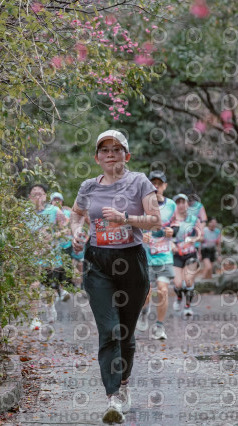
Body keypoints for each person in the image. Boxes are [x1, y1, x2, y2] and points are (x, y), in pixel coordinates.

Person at [69, 129, 160, 424]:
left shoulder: (140, 182)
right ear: (97, 158)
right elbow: (77, 214)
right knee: (109, 330)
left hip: (131, 261)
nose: (110, 154)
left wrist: (126, 219)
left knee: (125, 333)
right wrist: (76, 232)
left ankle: (123, 382)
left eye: (116, 149)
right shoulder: (88, 187)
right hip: (97, 262)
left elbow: (156, 221)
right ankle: (113, 398)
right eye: (104, 150)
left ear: (127, 155)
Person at [136, 170, 176, 340]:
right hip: (146, 257)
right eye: (153, 183)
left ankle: (159, 327)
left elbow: (177, 225)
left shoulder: (171, 205)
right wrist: (141, 235)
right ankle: (144, 312)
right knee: (146, 293)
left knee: (163, 290)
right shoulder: (141, 204)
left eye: (159, 184)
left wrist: (172, 231)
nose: (156, 187)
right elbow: (133, 225)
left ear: (165, 186)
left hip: (165, 257)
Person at [27, 183, 70, 330]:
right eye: (34, 194)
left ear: (45, 196)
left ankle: (50, 307)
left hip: (50, 256)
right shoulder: (26, 214)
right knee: (33, 286)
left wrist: (52, 236)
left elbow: (66, 230)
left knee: (47, 289)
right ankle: (35, 319)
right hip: (31, 256)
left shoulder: (54, 211)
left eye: (40, 193)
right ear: (30, 197)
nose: (37, 196)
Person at [170, 193, 203, 317]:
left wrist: (193, 239)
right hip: (176, 255)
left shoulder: (194, 219)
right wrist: (171, 245)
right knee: (178, 284)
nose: (181, 205)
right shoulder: (170, 220)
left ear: (187, 204)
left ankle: (188, 307)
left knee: (188, 281)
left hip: (190, 254)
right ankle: (179, 297)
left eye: (183, 202)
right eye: (178, 203)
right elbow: (164, 236)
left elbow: (201, 236)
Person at [51, 192, 85, 287]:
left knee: (77, 262)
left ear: (62, 201)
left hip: (69, 242)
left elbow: (75, 223)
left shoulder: (67, 212)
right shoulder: (49, 213)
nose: (56, 202)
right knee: (60, 264)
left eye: (58, 200)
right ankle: (60, 285)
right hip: (56, 243)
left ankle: (80, 283)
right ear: (51, 202)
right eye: (54, 200)